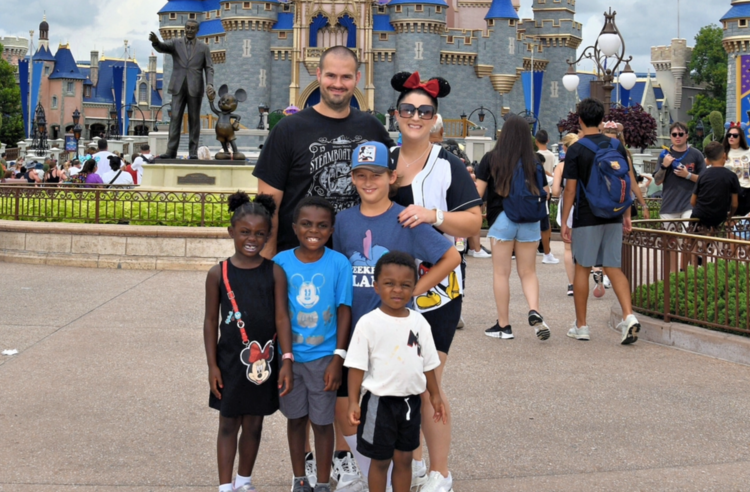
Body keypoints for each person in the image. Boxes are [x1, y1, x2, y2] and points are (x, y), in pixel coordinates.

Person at [333, 141, 461, 492]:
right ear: (353, 178)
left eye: (376, 175)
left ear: (391, 177)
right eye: (360, 175)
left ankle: (401, 475)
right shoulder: (343, 221)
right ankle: (371, 473)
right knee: (347, 405)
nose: (368, 181)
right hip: (357, 331)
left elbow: (451, 258)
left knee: (398, 404)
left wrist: (414, 290)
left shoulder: (406, 218)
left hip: (397, 338)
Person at [388, 72, 482, 492]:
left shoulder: (447, 165)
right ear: (396, 114)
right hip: (388, 289)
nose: (415, 116)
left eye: (424, 111)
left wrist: (434, 216)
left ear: (434, 118)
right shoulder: (383, 159)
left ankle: (440, 470)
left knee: (427, 382)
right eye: (408, 109)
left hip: (437, 290)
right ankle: (417, 462)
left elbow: (475, 220)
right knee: (394, 383)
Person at [253, 46, 395, 259]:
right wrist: (266, 261)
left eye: (346, 77)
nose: (338, 84)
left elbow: (396, 181)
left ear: (357, 78)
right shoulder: (287, 130)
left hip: (356, 258)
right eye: (331, 75)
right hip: (299, 259)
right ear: (319, 74)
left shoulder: (372, 128)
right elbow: (268, 202)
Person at [203, 191, 294, 492]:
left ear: (268, 235)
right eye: (244, 232)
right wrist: (212, 366)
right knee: (228, 423)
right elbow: (209, 322)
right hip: (229, 362)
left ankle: (244, 482)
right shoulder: (219, 273)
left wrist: (287, 362)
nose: (251, 239)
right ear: (231, 232)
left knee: (254, 424)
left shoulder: (275, 272)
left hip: (265, 362)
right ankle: (224, 486)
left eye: (259, 233)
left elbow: (282, 318)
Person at [345, 251, 446, 492]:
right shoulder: (368, 323)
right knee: (380, 461)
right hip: (378, 405)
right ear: (376, 286)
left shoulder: (419, 322)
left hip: (410, 404)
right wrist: (353, 402)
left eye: (405, 285)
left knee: (404, 459)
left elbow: (429, 363)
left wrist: (435, 395)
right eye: (389, 284)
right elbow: (356, 366)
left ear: (414, 287)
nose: (397, 290)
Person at [273, 197, 353, 492]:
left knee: (322, 423)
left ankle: (322, 482)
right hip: (290, 360)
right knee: (296, 420)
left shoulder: (338, 263)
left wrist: (338, 358)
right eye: (306, 224)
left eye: (322, 225)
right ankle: (299, 479)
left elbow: (345, 309)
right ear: (294, 228)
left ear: (331, 230)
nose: (313, 231)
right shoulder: (281, 262)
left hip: (324, 360)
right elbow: (278, 312)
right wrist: (284, 359)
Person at [561, 98, 641, 344]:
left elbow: (571, 190)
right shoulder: (616, 145)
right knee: (613, 268)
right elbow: (625, 182)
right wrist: (626, 214)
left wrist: (565, 221)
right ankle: (628, 316)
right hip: (614, 213)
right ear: (601, 119)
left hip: (587, 215)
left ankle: (582, 326)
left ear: (580, 119)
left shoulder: (576, 149)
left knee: (583, 269)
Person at [476, 115, 552, 342]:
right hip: (530, 221)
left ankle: (504, 325)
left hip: (502, 219)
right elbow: (546, 192)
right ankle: (534, 310)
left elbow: (477, 195)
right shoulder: (535, 161)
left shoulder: (491, 159)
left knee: (501, 273)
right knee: (528, 272)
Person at [150, 20, 215, 159]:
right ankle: (171, 151)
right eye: (187, 28)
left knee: (194, 120)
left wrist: (210, 84)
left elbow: (209, 67)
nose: (189, 30)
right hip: (178, 86)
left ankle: (193, 152)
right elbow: (162, 47)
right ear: (184, 28)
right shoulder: (175, 43)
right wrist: (156, 42)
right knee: (175, 119)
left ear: (197, 30)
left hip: (195, 87)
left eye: (192, 28)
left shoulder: (204, 48)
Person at [552, 133, 580, 296]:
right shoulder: (585, 162)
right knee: (585, 244)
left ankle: (572, 284)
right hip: (583, 205)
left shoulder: (561, 167)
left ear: (564, 147)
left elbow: (555, 191)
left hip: (567, 207)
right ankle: (595, 272)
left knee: (568, 247)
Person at [691, 141, 740, 230]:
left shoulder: (703, 175)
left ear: (708, 160)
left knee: (691, 239)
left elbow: (693, 201)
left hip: (699, 214)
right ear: (724, 156)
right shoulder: (732, 176)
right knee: (710, 237)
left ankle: (688, 243)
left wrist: (700, 209)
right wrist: (730, 215)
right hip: (719, 216)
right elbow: (734, 204)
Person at [534, 130, 560, 264]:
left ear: (536, 141)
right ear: (548, 141)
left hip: (537, 190)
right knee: (545, 221)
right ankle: (545, 248)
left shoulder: (534, 156)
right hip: (547, 187)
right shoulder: (551, 155)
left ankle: (539, 245)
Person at [723, 124, 750, 215]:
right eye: (729, 135)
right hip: (729, 191)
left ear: (741, 137)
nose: (731, 137)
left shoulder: (748, 151)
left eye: (735, 135)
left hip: (747, 190)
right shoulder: (722, 152)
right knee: (729, 222)